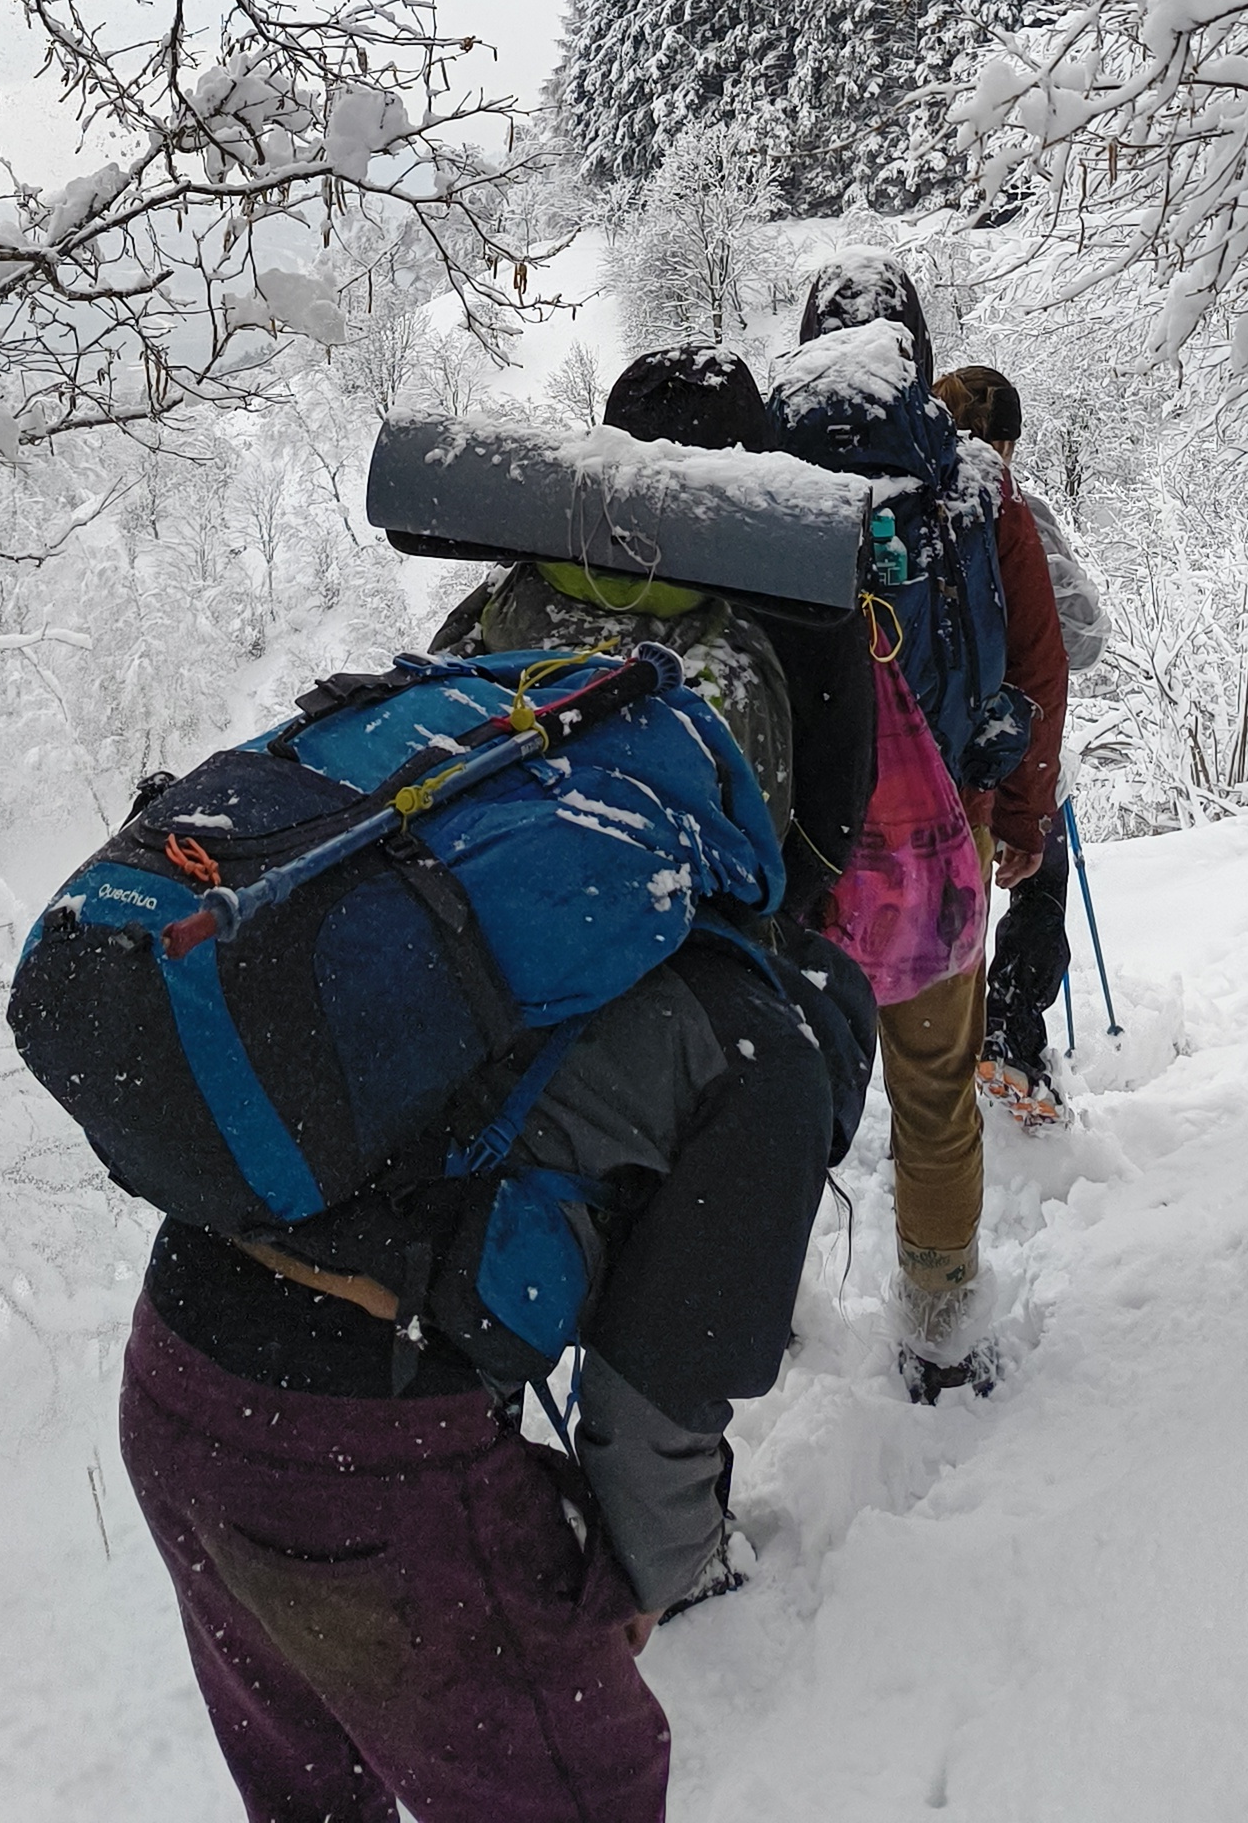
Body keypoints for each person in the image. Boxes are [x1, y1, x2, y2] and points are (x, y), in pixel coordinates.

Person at [115, 536, 879, 1823]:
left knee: (314, 1796)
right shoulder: (772, 1055)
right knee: (592, 1785)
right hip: (362, 1452)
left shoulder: (531, 889)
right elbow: (659, 1392)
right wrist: (641, 1578)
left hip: (174, 1372)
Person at [762, 255, 1042, 1401]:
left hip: (795, 862)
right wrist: (1015, 809)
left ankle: (759, 1316)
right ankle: (938, 1330)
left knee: (773, 1095)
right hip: (940, 846)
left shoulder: (756, 479)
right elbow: (1027, 662)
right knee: (933, 1096)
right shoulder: (971, 483)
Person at [432, 345, 878, 927]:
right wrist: (789, 902)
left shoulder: (532, 569)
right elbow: (838, 793)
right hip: (701, 928)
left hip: (486, 901)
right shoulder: (795, 595)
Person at [933, 362, 1097, 1126]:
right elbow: (1083, 637)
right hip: (1017, 751)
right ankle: (1010, 1036)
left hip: (926, 760)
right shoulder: (1017, 510)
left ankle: (932, 1063)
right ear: (1008, 440)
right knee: (1039, 883)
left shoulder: (897, 504)